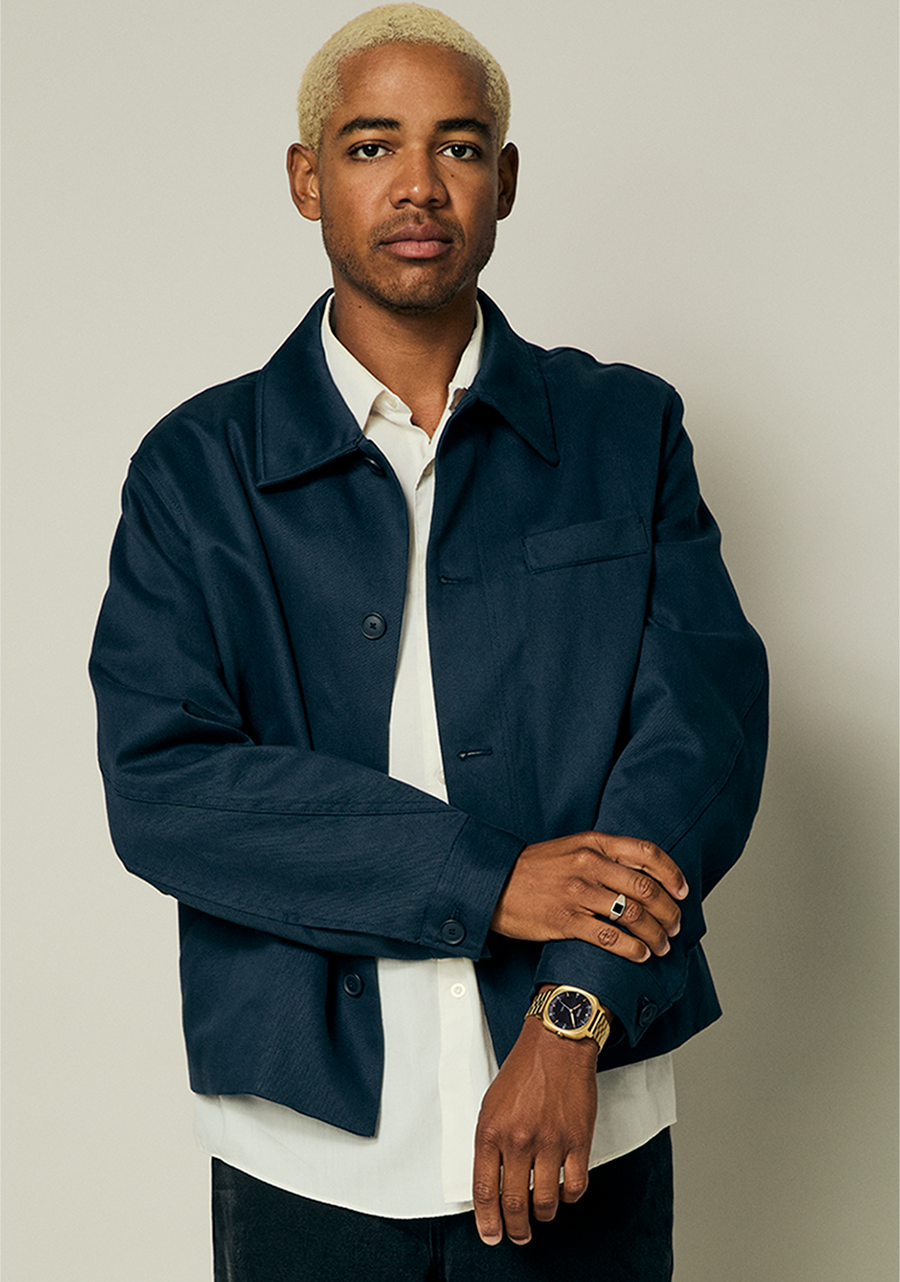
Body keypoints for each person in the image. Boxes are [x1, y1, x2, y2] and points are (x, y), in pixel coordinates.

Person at [90, 5, 767, 1279]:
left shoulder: (625, 430)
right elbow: (165, 786)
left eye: (457, 146)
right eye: (370, 146)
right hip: (306, 1138)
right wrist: (487, 878)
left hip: (588, 1111)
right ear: (307, 179)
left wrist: (572, 1009)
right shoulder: (196, 468)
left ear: (504, 179)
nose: (417, 184)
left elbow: (701, 733)